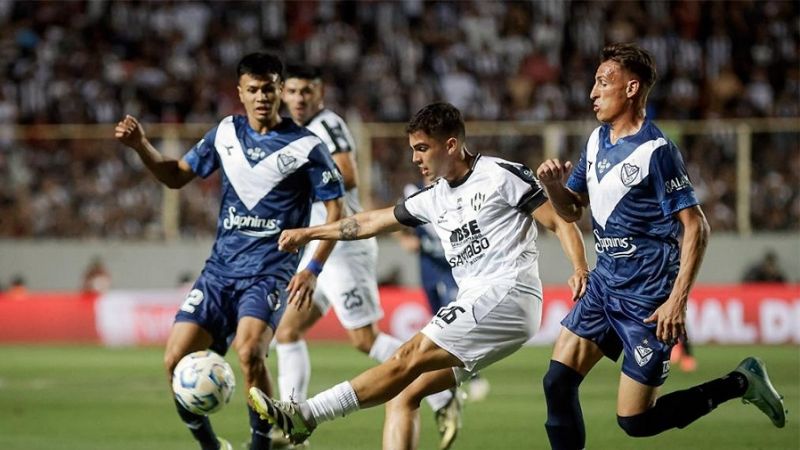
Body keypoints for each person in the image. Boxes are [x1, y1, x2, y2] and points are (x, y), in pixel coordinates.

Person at [249, 102, 590, 449]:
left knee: (407, 356)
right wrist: (310, 233)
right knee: (405, 391)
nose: (415, 158)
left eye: (422, 148)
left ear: (451, 145)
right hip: (478, 299)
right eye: (413, 149)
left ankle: (306, 415)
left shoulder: (500, 175)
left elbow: (560, 220)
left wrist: (579, 267)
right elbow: (369, 222)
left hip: (507, 293)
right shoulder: (434, 197)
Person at [535, 43, 786, 450]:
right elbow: (572, 209)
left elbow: (697, 226)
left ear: (631, 88)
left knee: (636, 422)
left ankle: (741, 382)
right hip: (603, 287)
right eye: (594, 83)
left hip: (647, 300)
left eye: (603, 83)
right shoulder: (596, 140)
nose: (592, 92)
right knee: (557, 382)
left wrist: (677, 301)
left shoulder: (658, 151)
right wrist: (553, 187)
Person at [115, 52, 346, 450]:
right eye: (253, 89)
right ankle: (211, 446)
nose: (261, 97)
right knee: (174, 362)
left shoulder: (307, 146)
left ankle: (260, 446)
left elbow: (336, 211)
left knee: (251, 352)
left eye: (269, 89)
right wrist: (141, 146)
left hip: (269, 273)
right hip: (219, 273)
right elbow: (176, 176)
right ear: (240, 92)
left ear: (280, 91)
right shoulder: (225, 133)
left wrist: (312, 269)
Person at [275, 64, 460, 449]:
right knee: (287, 331)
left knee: (364, 339)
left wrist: (297, 185)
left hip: (343, 249)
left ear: (319, 92)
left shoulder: (327, 125)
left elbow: (347, 176)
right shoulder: (294, 129)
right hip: (321, 244)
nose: (298, 98)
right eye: (291, 91)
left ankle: (442, 392)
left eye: (306, 91)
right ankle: (291, 423)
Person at [398, 179, 491, 403]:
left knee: (452, 326)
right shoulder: (414, 192)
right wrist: (405, 238)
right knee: (438, 321)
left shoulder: (454, 189)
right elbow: (398, 221)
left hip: (452, 270)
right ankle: (450, 379)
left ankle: (472, 375)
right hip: (428, 269)